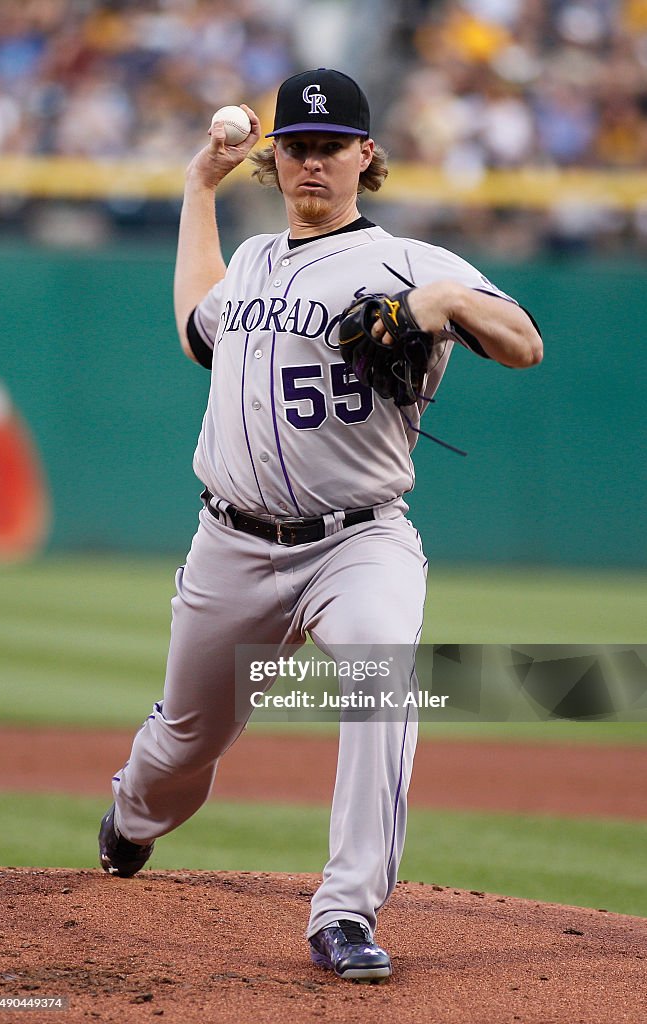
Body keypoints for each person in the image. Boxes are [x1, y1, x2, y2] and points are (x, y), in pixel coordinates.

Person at [99, 68, 542, 982]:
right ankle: (132, 816)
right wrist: (197, 190)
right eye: (296, 147)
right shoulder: (256, 263)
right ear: (274, 159)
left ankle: (345, 912)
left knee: (381, 672)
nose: (312, 161)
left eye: (330, 146)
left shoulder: (412, 260)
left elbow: (523, 342)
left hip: (359, 540)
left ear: (363, 155)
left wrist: (439, 306)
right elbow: (194, 322)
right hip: (230, 543)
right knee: (185, 742)